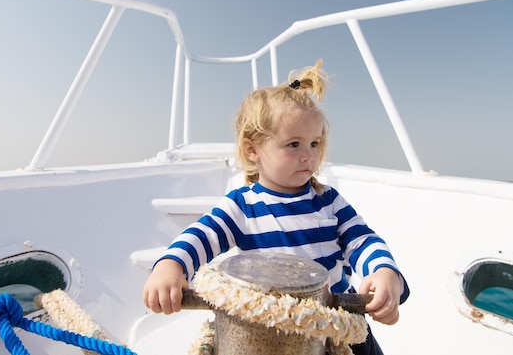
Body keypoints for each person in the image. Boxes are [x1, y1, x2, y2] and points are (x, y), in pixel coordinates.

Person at [142, 59, 409, 354]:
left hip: (337, 326)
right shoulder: (243, 207)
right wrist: (171, 266)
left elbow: (362, 240)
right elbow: (201, 236)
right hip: (273, 334)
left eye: (315, 144)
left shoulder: (329, 201)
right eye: (294, 144)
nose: (308, 155)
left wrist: (385, 272)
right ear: (252, 149)